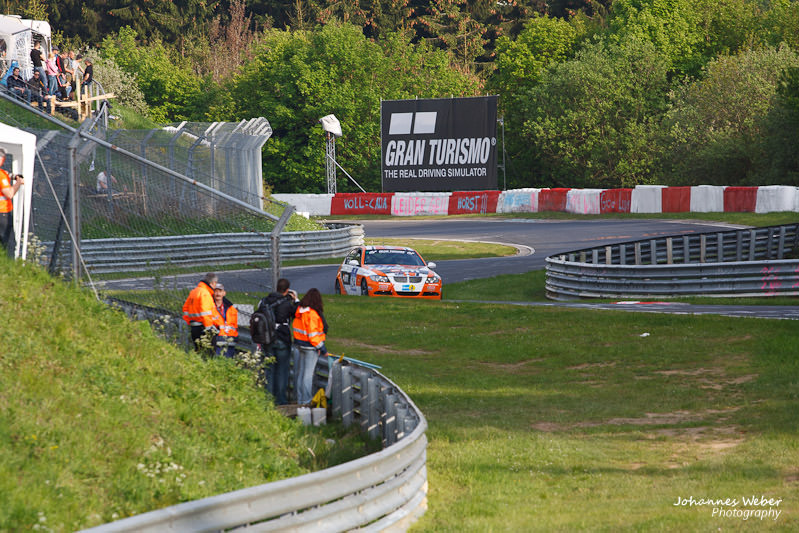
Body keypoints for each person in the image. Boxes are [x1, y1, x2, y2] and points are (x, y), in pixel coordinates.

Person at [258, 278, 299, 405]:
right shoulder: (286, 304)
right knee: (282, 370)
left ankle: (268, 398)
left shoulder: (264, 301)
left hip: (267, 339)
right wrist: (296, 300)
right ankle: (280, 400)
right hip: (282, 339)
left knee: (269, 370)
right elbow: (297, 313)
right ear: (287, 290)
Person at [292, 288, 328, 406]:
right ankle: (306, 401)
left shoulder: (300, 311)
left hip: (299, 345)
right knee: (308, 376)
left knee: (301, 374)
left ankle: (300, 400)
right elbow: (313, 336)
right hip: (310, 348)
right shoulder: (312, 314)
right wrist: (322, 349)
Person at [182, 272, 222, 351]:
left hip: (194, 327)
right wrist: (209, 329)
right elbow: (205, 313)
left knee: (198, 350)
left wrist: (189, 321)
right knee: (209, 352)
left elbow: (185, 309)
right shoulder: (205, 293)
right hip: (204, 327)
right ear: (213, 283)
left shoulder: (194, 291)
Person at [0, 148, 24, 258]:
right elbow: (9, 193)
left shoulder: (3, 174)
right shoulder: (1, 176)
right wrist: (18, 183)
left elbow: (7, 174)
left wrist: (13, 176)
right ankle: (9, 265)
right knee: (9, 244)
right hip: (2, 213)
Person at [213, 283, 238, 358]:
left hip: (230, 339)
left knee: (228, 360)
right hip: (216, 338)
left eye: (220, 291)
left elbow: (233, 325)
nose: (218, 293)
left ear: (224, 293)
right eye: (216, 291)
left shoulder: (231, 309)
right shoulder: (209, 307)